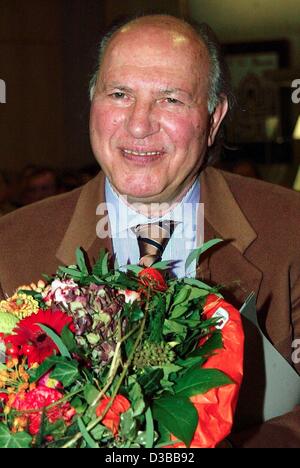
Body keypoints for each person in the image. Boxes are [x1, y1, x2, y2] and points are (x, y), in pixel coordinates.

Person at [0, 14, 300, 447]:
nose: (139, 124)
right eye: (120, 94)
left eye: (171, 99)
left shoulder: (289, 230)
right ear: (92, 103)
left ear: (214, 118)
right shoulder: (12, 248)